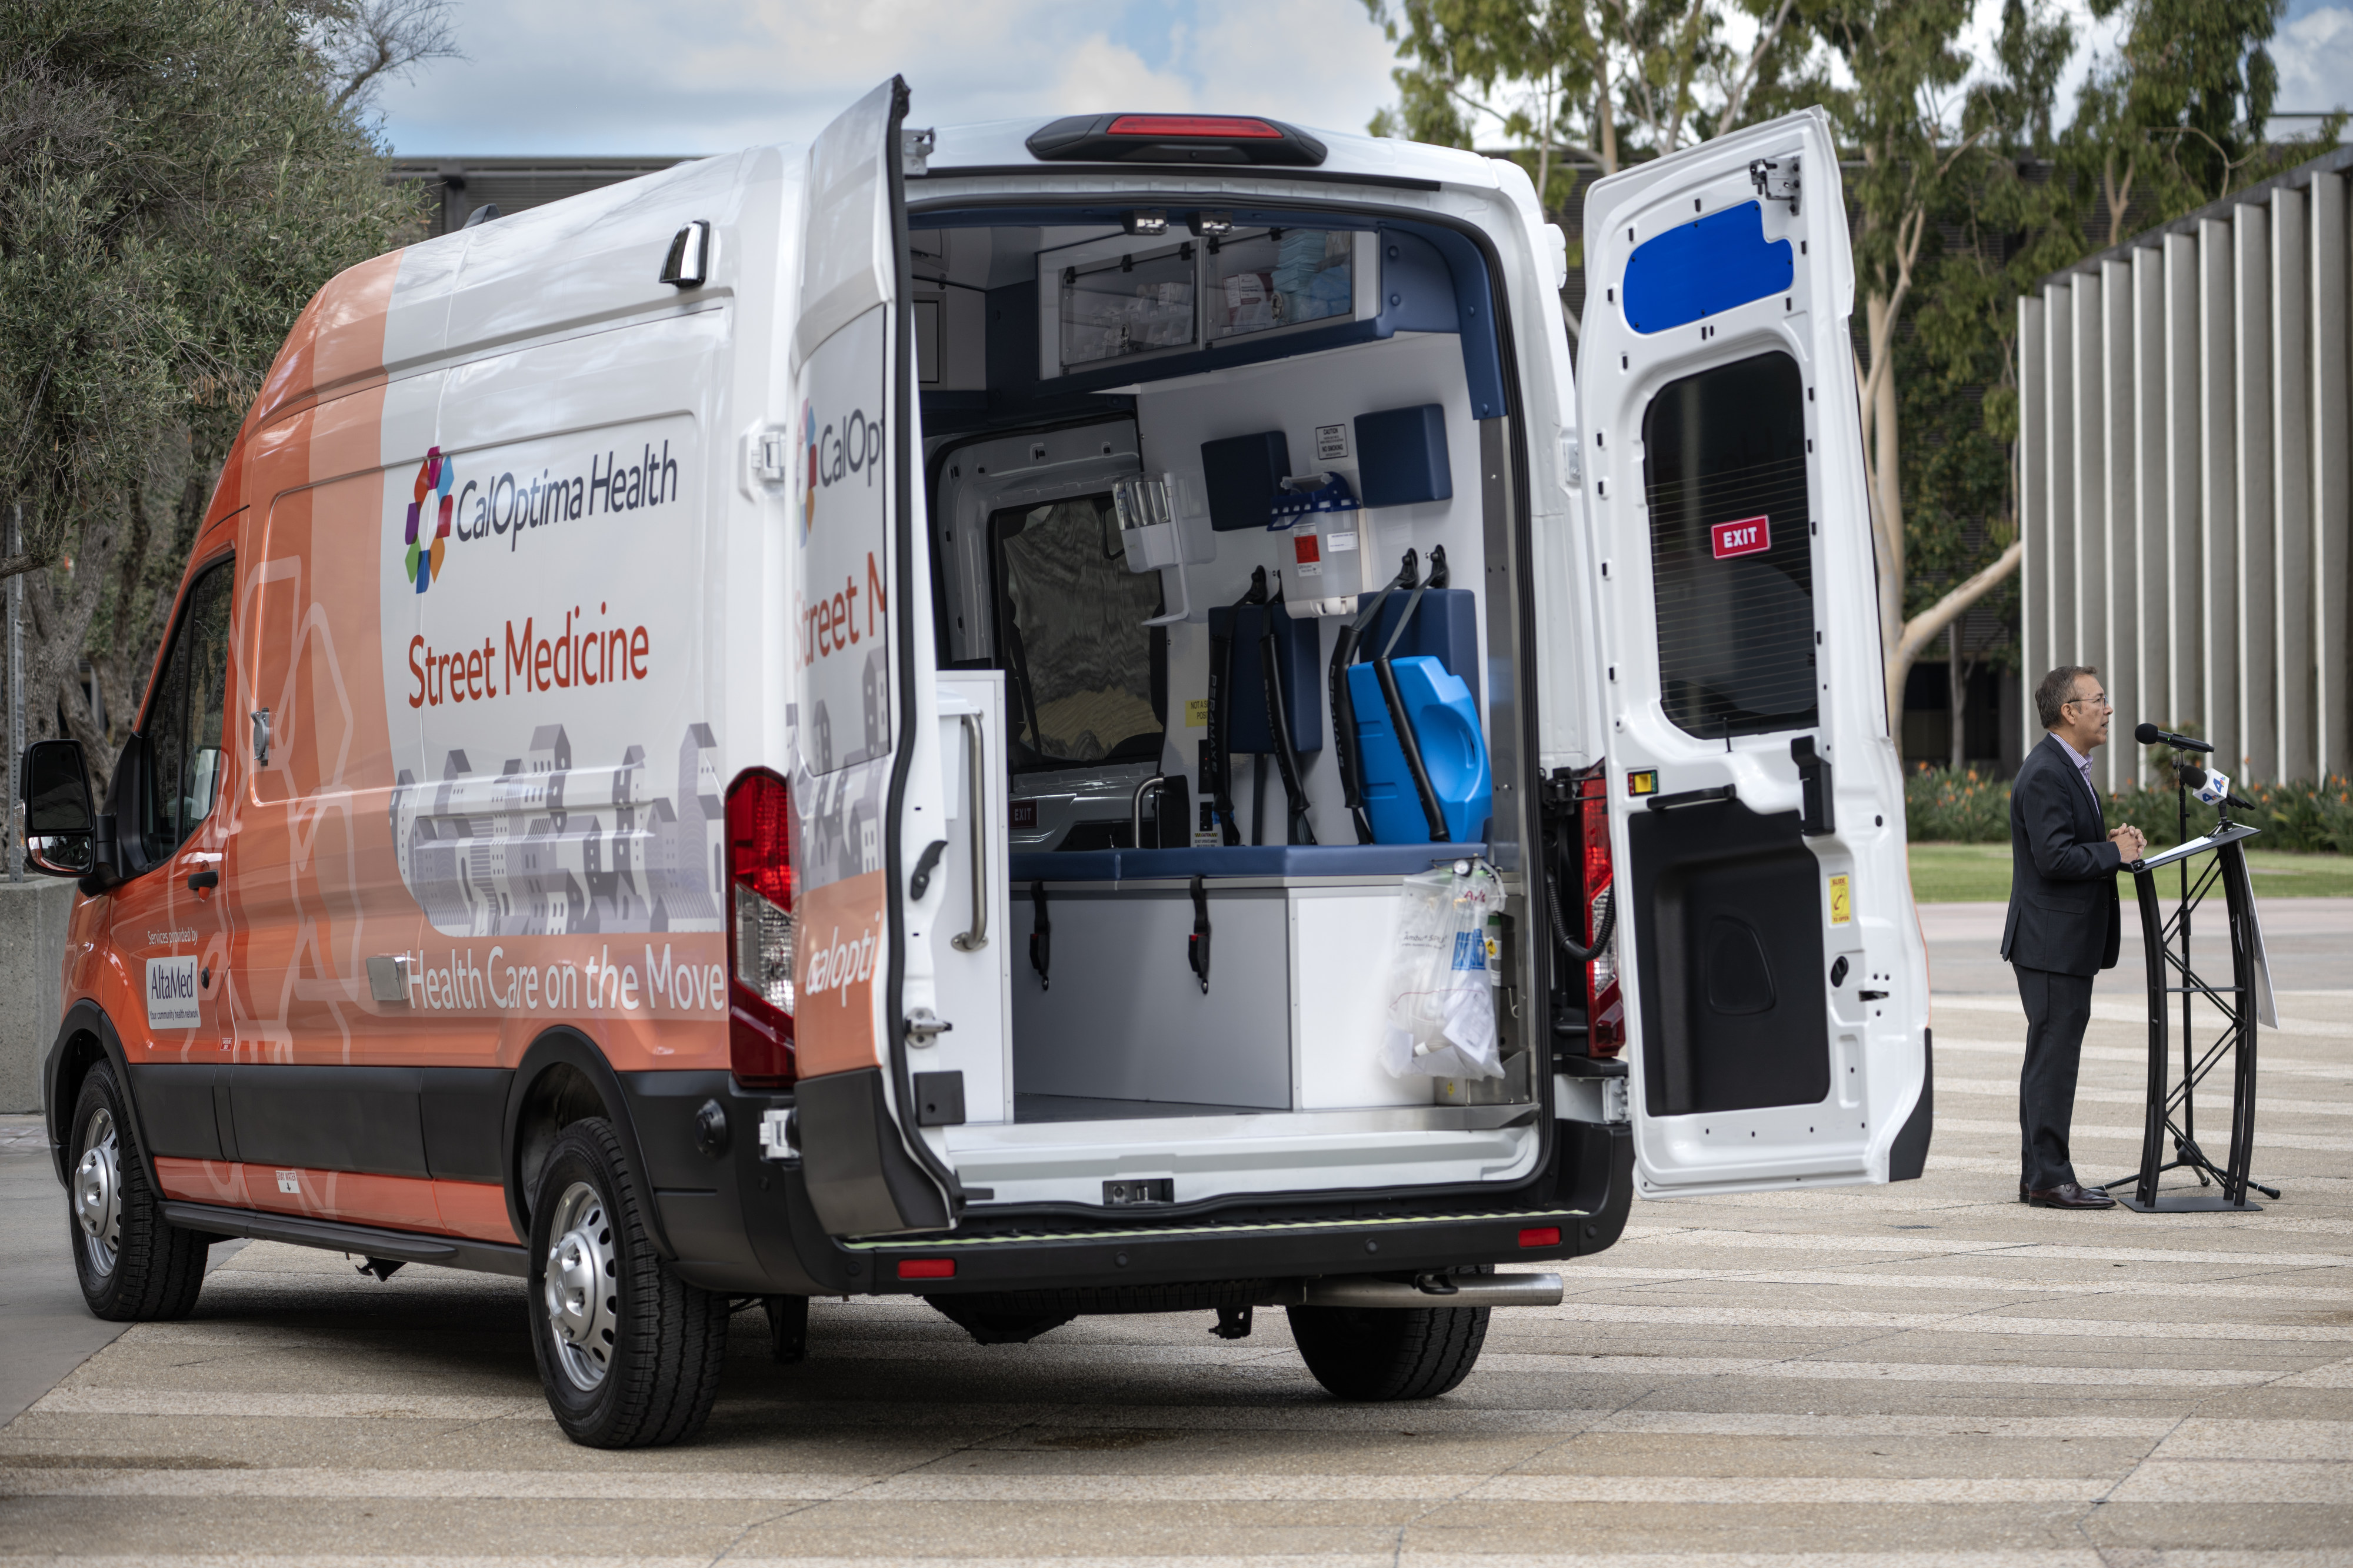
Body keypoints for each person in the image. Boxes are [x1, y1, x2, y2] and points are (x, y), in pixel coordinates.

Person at [2001, 665, 2146, 1210]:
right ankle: (2049, 1179)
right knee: (2052, 1060)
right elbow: (2054, 857)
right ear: (2070, 711)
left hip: (2059, 941)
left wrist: (2111, 843)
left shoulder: (2068, 767)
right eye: (2099, 700)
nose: (2108, 710)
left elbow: (2066, 843)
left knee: (2051, 1057)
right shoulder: (2046, 771)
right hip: (2049, 942)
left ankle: (2039, 1174)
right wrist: (2114, 854)